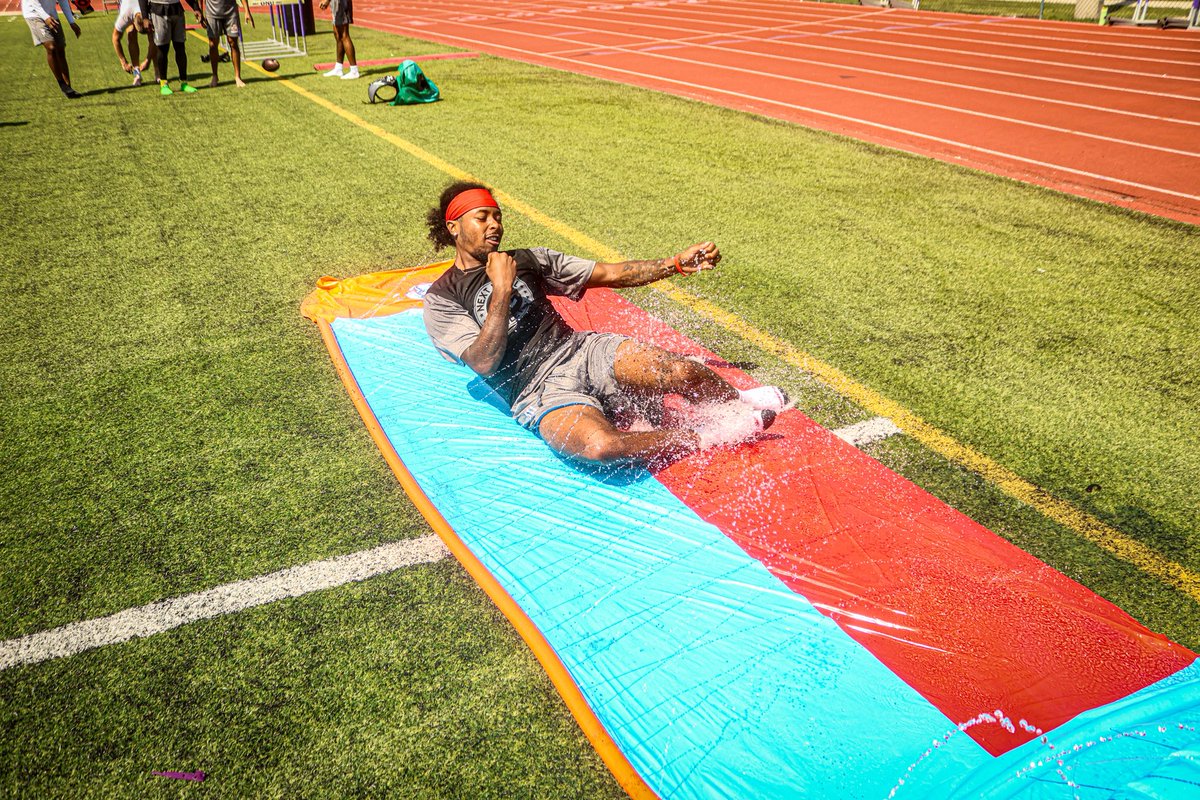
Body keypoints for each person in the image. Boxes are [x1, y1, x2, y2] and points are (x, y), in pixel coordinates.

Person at [422, 182, 789, 465]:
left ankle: (736, 402)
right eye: (481, 217)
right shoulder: (443, 297)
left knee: (679, 371)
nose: (494, 225)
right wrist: (501, 291)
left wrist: (675, 264)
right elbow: (482, 361)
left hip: (582, 351)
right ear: (454, 227)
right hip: (536, 391)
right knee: (602, 447)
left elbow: (611, 273)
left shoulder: (529, 258)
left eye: (497, 215)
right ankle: (702, 434)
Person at [22, 0, 82, 99]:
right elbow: (34, 2)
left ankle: (69, 88)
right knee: (51, 47)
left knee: (61, 49)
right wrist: (46, 17)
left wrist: (71, 22)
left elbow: (63, 1)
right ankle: (62, 84)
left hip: (51, 13)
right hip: (33, 13)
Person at [148, 0, 203, 95]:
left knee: (180, 47)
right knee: (162, 48)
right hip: (158, 10)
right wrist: (145, 17)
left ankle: (184, 82)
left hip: (176, 10)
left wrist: (196, 8)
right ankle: (164, 83)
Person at [201, 0, 253, 87]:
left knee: (233, 42)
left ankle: (237, 76)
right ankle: (215, 76)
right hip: (212, 12)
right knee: (213, 44)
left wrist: (247, 11)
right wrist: (200, 11)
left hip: (231, 12)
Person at [111, 0, 158, 87]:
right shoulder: (126, 14)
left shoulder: (149, 12)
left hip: (145, 7)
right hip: (128, 5)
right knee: (131, 34)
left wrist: (147, 60)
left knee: (154, 36)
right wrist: (123, 61)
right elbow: (115, 38)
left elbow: (155, 41)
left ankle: (157, 72)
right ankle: (137, 74)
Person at [319, 0, 358, 80]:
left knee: (344, 35)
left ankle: (354, 71)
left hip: (341, 3)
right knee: (338, 35)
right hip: (336, 3)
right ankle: (338, 68)